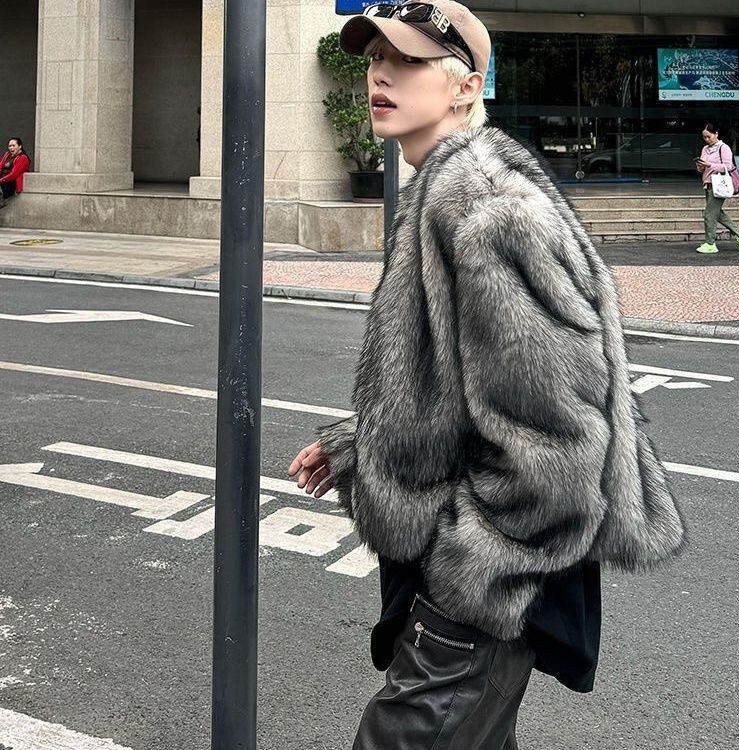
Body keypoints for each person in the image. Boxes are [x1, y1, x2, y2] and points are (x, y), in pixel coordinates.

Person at [288, 2, 685, 747]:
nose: (380, 74)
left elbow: (558, 447)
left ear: (466, 87)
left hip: (485, 595)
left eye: (407, 60)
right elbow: (463, 391)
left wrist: (472, 577)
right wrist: (358, 446)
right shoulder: (445, 193)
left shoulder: (488, 210)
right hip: (475, 589)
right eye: (376, 58)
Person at [695, 123, 739, 254]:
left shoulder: (724, 148)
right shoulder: (705, 149)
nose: (706, 139)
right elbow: (702, 169)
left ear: (716, 134)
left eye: (708, 136)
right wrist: (700, 166)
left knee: (709, 214)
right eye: (704, 137)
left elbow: (728, 166)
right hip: (708, 184)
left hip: (719, 185)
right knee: (717, 213)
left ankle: (710, 244)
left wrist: (709, 164)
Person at [0, 137, 31, 209]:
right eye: (10, 146)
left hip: (10, 184)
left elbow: (13, 175)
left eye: (13, 145)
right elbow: (0, 167)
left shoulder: (23, 158)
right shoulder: (7, 154)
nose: (11, 148)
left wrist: (1, 180)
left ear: (20, 146)